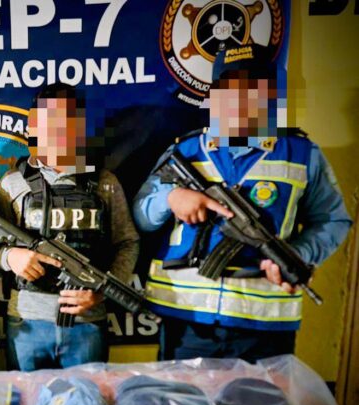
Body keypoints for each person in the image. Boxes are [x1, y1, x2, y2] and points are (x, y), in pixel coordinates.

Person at [132, 44, 352, 361]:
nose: (239, 98)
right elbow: (141, 215)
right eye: (229, 88)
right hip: (186, 320)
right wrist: (171, 197)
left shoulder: (302, 154)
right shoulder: (185, 151)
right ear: (213, 95)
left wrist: (299, 254)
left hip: (264, 325)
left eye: (253, 88)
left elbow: (333, 220)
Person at [0, 83, 140, 371]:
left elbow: (127, 242)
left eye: (65, 121)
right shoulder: (13, 182)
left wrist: (101, 291)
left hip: (87, 321)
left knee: (87, 397)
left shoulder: (104, 182)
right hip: (27, 322)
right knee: (27, 398)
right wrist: (11, 257)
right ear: (33, 126)